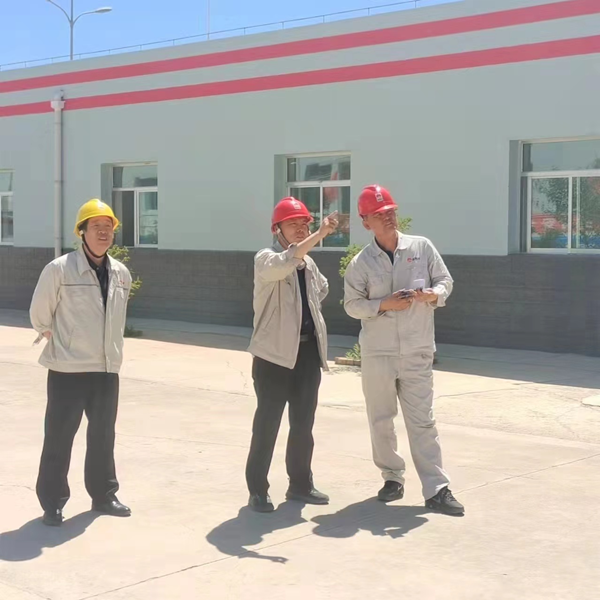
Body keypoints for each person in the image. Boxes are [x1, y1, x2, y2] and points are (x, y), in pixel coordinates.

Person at [343, 185, 464, 516]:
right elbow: (352, 305)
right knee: (381, 419)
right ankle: (392, 477)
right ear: (365, 222)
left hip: (417, 349)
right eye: (380, 214)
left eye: (391, 212)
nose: (388, 217)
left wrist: (433, 294)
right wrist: (384, 304)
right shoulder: (360, 263)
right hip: (378, 352)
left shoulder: (421, 247)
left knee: (423, 421)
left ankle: (436, 488)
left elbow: (446, 281)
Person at [30, 199, 133, 526]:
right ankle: (52, 502)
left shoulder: (121, 273)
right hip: (68, 370)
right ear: (82, 232)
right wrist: (60, 339)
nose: (103, 233)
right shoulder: (59, 269)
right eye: (96, 227)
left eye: (108, 228)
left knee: (103, 436)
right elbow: (40, 313)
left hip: (106, 369)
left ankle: (104, 495)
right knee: (59, 437)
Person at [245, 197, 339, 513]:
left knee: (303, 424)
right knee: (267, 425)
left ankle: (300, 484)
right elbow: (285, 263)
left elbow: (322, 289)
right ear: (277, 229)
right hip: (272, 356)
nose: (300, 228)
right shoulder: (266, 258)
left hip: (306, 353)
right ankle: (258, 490)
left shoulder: (308, 264)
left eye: (304, 224)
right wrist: (321, 234)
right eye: (293, 224)